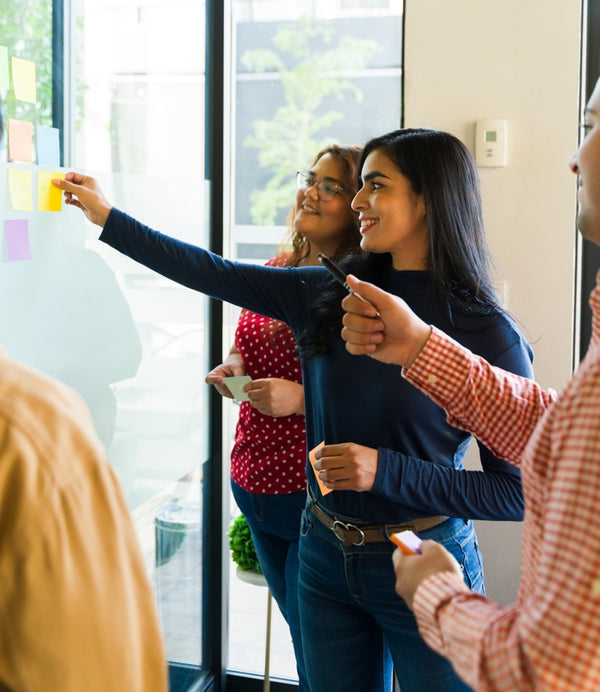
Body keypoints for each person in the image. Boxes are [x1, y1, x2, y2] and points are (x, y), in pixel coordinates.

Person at [52, 127, 533, 692]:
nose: (356, 202)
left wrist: (389, 471)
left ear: (428, 197)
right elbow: (212, 271)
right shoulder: (326, 292)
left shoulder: (488, 332)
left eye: (374, 186)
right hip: (324, 549)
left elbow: (518, 491)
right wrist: (108, 217)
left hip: (423, 555)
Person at [338, 84, 600, 691]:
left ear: (426, 201)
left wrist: (438, 593)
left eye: (590, 127)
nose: (573, 157)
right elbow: (561, 434)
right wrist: (424, 351)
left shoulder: (493, 329)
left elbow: (538, 669)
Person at [0, 111, 168, 692]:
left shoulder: (84, 271)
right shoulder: (11, 273)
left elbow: (128, 356)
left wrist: (55, 377)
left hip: (80, 426)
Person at [205, 144, 362, 691]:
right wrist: (234, 367)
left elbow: (374, 397)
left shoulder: (354, 292)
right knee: (305, 643)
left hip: (308, 498)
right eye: (310, 178)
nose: (310, 191)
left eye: (330, 186)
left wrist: (300, 400)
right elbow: (246, 341)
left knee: (322, 654)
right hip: (253, 487)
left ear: (358, 208)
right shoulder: (278, 269)